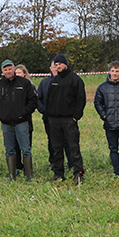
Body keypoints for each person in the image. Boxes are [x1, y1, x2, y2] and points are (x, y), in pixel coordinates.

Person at [39, 53, 87, 183]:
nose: (58, 66)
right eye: (56, 64)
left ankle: (78, 172)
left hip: (69, 119)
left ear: (65, 64)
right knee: (56, 148)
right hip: (54, 120)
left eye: (59, 64)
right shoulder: (54, 81)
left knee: (73, 147)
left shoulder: (75, 80)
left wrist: (76, 116)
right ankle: (58, 173)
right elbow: (48, 99)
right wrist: (48, 114)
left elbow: (81, 99)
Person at [0, 59, 38, 180]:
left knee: (26, 149)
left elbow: (33, 100)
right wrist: (0, 115)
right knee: (9, 150)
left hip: (22, 122)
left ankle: (29, 176)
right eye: (5, 70)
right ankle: (12, 176)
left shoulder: (24, 83)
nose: (8, 71)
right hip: (6, 123)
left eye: (10, 69)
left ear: (14, 69)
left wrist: (24, 113)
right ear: (2, 71)